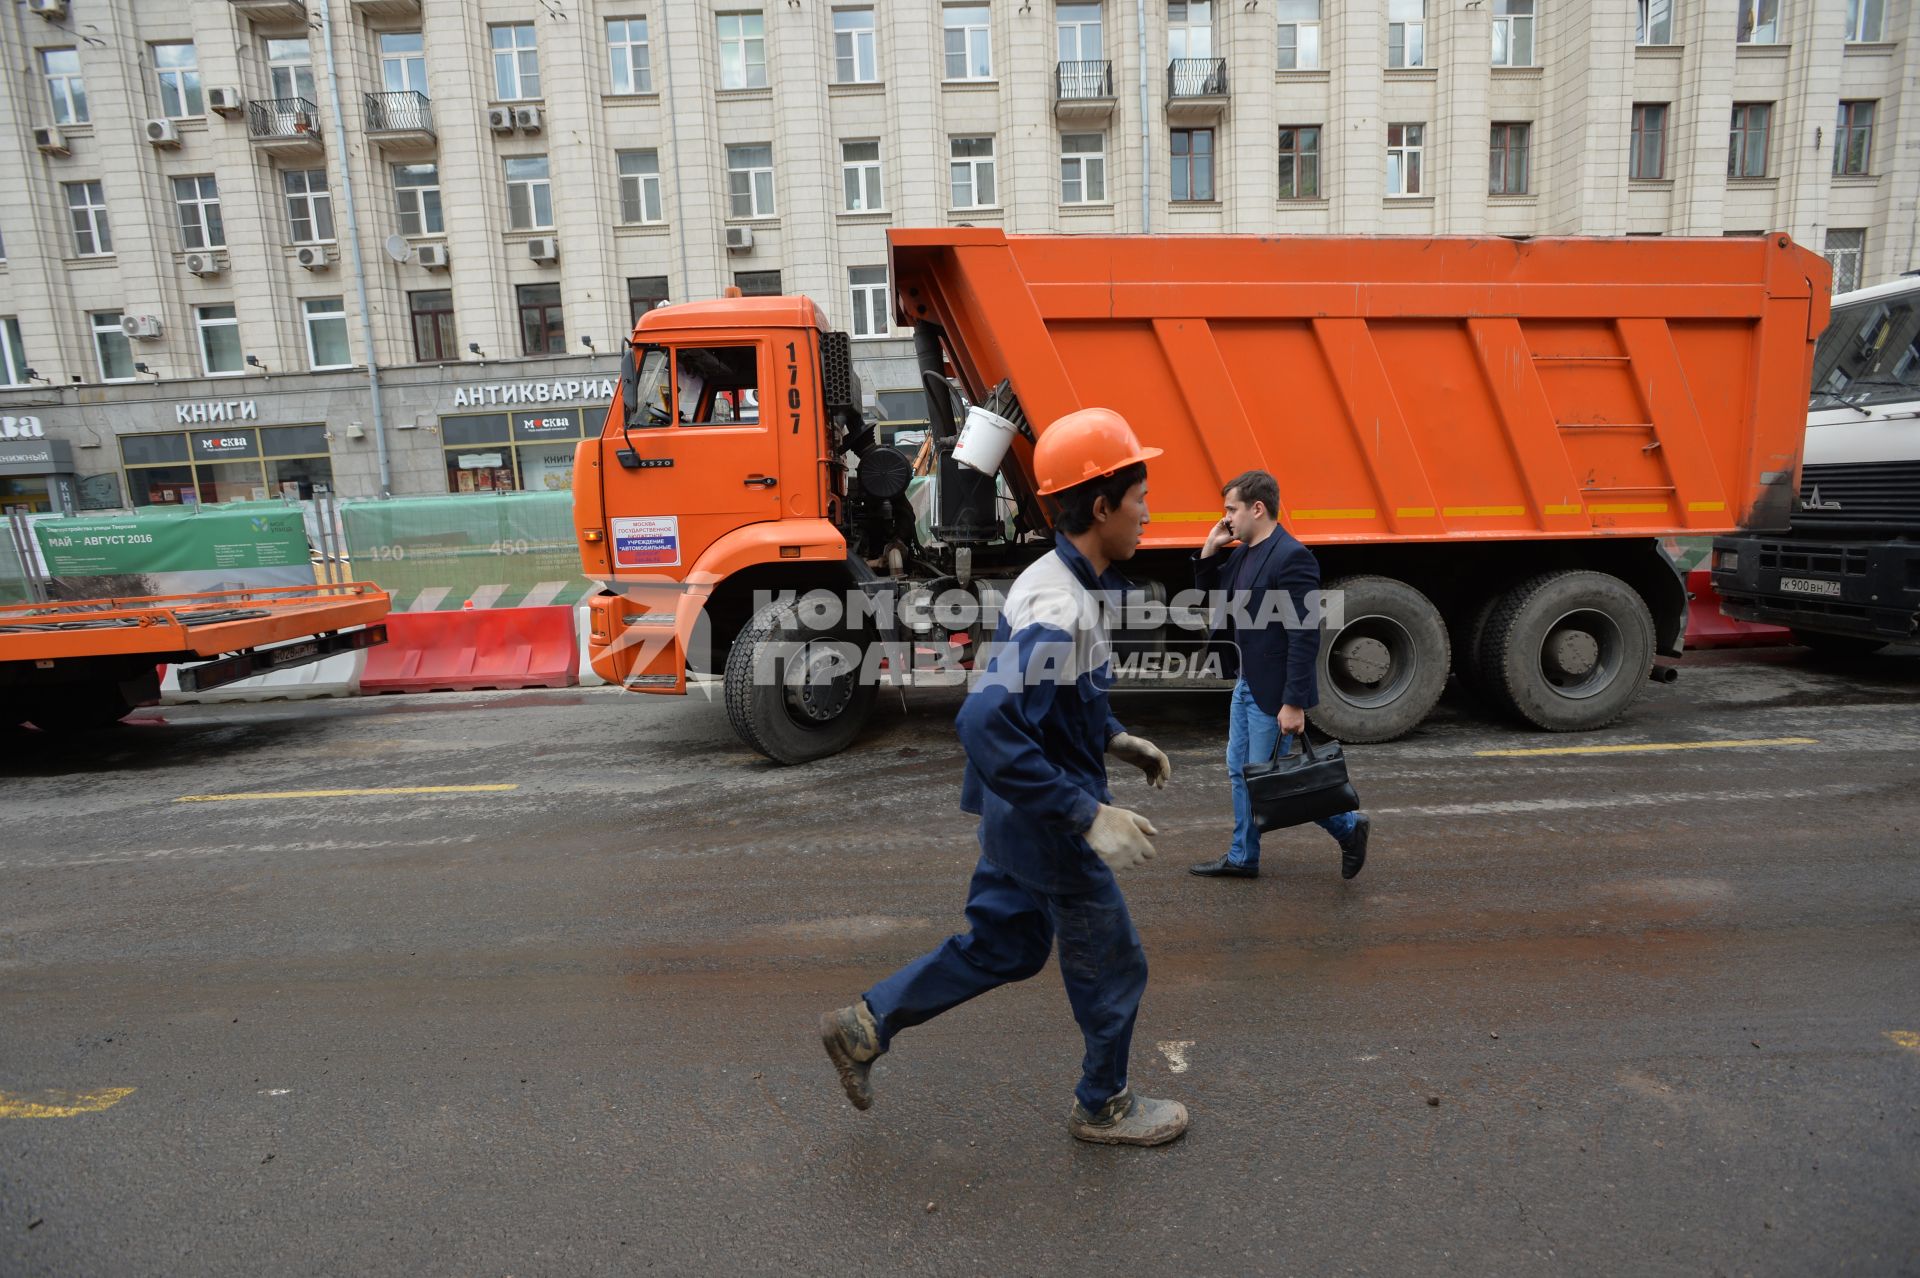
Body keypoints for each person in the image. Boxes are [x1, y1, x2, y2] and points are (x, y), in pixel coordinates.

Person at [820, 407, 1189, 1147]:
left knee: (1005, 947)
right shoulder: (1059, 604)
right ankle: (1103, 1105)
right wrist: (1087, 815)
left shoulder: (1060, 578)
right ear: (1101, 505)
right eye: (1140, 496)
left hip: (1015, 814)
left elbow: (1056, 700)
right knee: (1113, 965)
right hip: (1051, 825)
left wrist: (1115, 737)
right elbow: (985, 721)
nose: (1148, 512)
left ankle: (867, 1024)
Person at [1187, 469, 1370, 881]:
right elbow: (1210, 595)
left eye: (1231, 510)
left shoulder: (1292, 557)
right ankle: (1243, 856)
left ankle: (1348, 826)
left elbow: (1304, 636)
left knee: (1272, 783)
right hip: (1246, 682)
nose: (1227, 518)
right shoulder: (1244, 552)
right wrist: (1210, 547)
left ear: (1258, 507)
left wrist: (1294, 701)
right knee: (1242, 772)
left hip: (1273, 691)